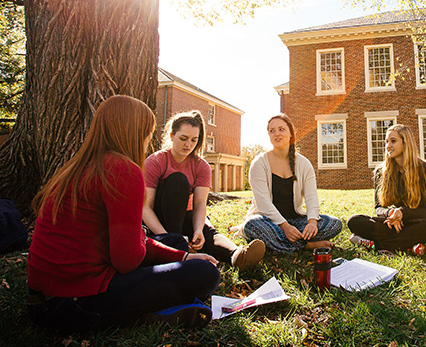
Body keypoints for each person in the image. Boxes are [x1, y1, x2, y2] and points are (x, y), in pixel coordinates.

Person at [27, 95, 221, 332]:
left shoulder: (78, 165)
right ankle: (151, 311)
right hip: (74, 302)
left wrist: (182, 258)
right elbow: (127, 260)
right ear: (135, 132)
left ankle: (160, 303)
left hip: (44, 298)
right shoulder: (123, 170)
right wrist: (175, 259)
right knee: (205, 273)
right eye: (148, 132)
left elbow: (123, 243)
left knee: (174, 242)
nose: (148, 140)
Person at [143, 111, 265, 270]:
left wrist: (198, 230)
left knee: (207, 230)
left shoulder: (201, 166)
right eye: (183, 138)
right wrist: (168, 237)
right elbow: (146, 207)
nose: (188, 145)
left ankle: (237, 256)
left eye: (194, 140)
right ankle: (177, 249)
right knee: (178, 180)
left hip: (185, 215)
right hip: (159, 221)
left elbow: (200, 203)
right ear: (172, 136)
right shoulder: (156, 161)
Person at [238, 114, 343, 253]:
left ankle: (280, 243)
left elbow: (311, 197)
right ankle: (306, 246)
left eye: (281, 129)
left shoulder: (303, 164)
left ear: (291, 134)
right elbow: (263, 203)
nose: (277, 134)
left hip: (295, 221)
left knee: (334, 224)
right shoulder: (259, 163)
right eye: (272, 130)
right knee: (251, 226)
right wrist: (285, 227)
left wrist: (312, 222)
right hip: (268, 222)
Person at [346, 124, 426, 255]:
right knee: (354, 221)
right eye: (386, 141)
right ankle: (408, 245)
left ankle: (377, 245)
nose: (388, 146)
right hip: (391, 224)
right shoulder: (381, 172)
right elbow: (378, 208)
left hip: (416, 223)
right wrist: (391, 213)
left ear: (406, 143)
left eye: (393, 141)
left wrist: (402, 213)